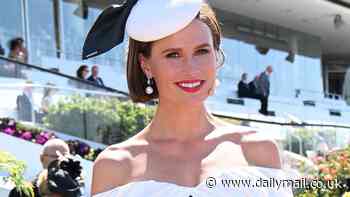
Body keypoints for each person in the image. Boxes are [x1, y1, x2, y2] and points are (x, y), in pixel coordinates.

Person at [82, 0, 293, 196]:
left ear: (216, 55)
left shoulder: (258, 150)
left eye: (202, 51)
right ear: (146, 65)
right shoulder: (114, 167)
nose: (191, 69)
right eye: (173, 54)